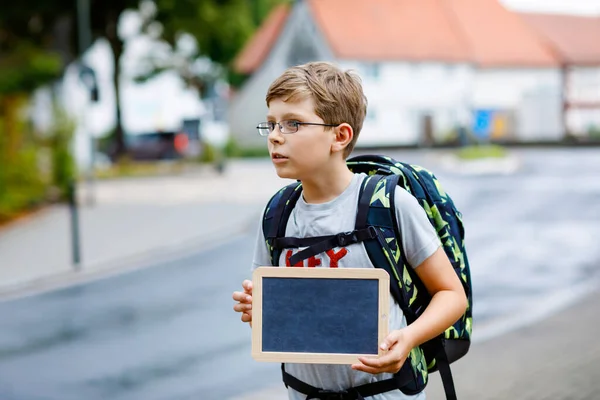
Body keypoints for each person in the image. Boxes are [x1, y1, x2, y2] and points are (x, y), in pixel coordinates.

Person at [232, 61, 467, 399]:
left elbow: (452, 295)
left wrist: (410, 338)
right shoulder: (277, 214)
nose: (275, 136)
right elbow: (280, 320)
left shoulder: (387, 205)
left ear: (339, 136)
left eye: (293, 123)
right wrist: (258, 311)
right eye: (270, 124)